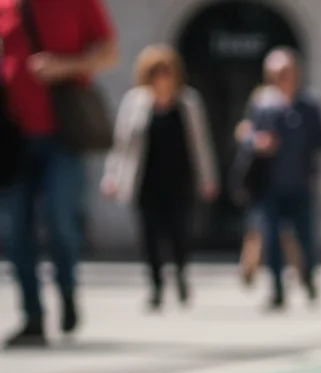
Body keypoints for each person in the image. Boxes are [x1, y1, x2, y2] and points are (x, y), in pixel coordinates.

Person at [1, 0, 118, 348]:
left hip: (62, 137)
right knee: (14, 230)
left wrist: (66, 66)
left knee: (60, 219)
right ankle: (33, 316)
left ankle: (66, 291)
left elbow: (110, 53)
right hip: (13, 137)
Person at [101, 45, 218, 311]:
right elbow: (121, 144)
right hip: (146, 181)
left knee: (179, 233)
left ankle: (181, 276)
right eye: (156, 72)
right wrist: (112, 176)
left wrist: (208, 178)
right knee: (150, 235)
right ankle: (155, 286)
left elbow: (201, 144)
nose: (161, 78)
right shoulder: (135, 102)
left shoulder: (188, 102)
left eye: (166, 72)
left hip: (180, 181)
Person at [242, 47, 321, 311]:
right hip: (270, 184)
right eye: (277, 73)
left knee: (306, 237)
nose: (283, 78)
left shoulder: (310, 104)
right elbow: (247, 135)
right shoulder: (262, 104)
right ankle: (277, 290)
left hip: (301, 182)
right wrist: (257, 143)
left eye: (286, 72)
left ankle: (309, 277)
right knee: (271, 237)